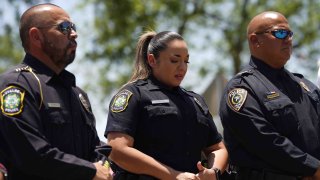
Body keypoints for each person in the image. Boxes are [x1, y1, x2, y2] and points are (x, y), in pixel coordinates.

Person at [0, 3, 112, 180]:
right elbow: (31, 154)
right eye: (64, 28)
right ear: (36, 37)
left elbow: (96, 148)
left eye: (73, 27)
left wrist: (103, 166)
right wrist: (90, 170)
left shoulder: (78, 93)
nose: (74, 34)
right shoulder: (16, 85)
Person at [105, 30, 228, 180]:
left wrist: (213, 172)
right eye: (175, 60)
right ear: (152, 60)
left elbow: (218, 148)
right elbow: (117, 150)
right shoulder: (133, 94)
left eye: (186, 61)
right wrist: (172, 176)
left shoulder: (196, 101)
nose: (182, 67)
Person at [219, 11, 320, 180]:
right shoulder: (241, 88)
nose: (288, 39)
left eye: (290, 34)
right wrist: (313, 168)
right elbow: (265, 142)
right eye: (280, 33)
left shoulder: (305, 86)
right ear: (255, 40)